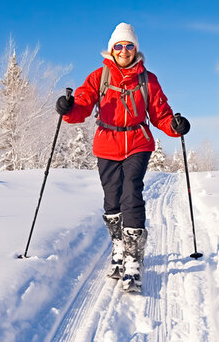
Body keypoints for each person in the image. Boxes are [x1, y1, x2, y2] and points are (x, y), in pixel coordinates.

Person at [55, 22, 190, 293]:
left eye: (129, 46)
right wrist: (68, 108)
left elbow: (161, 113)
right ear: (111, 50)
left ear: (135, 49)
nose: (124, 51)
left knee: (131, 195)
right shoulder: (99, 77)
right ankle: (118, 247)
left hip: (137, 143)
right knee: (112, 199)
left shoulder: (148, 80)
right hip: (107, 144)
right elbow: (81, 106)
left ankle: (133, 260)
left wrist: (175, 126)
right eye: (119, 46)